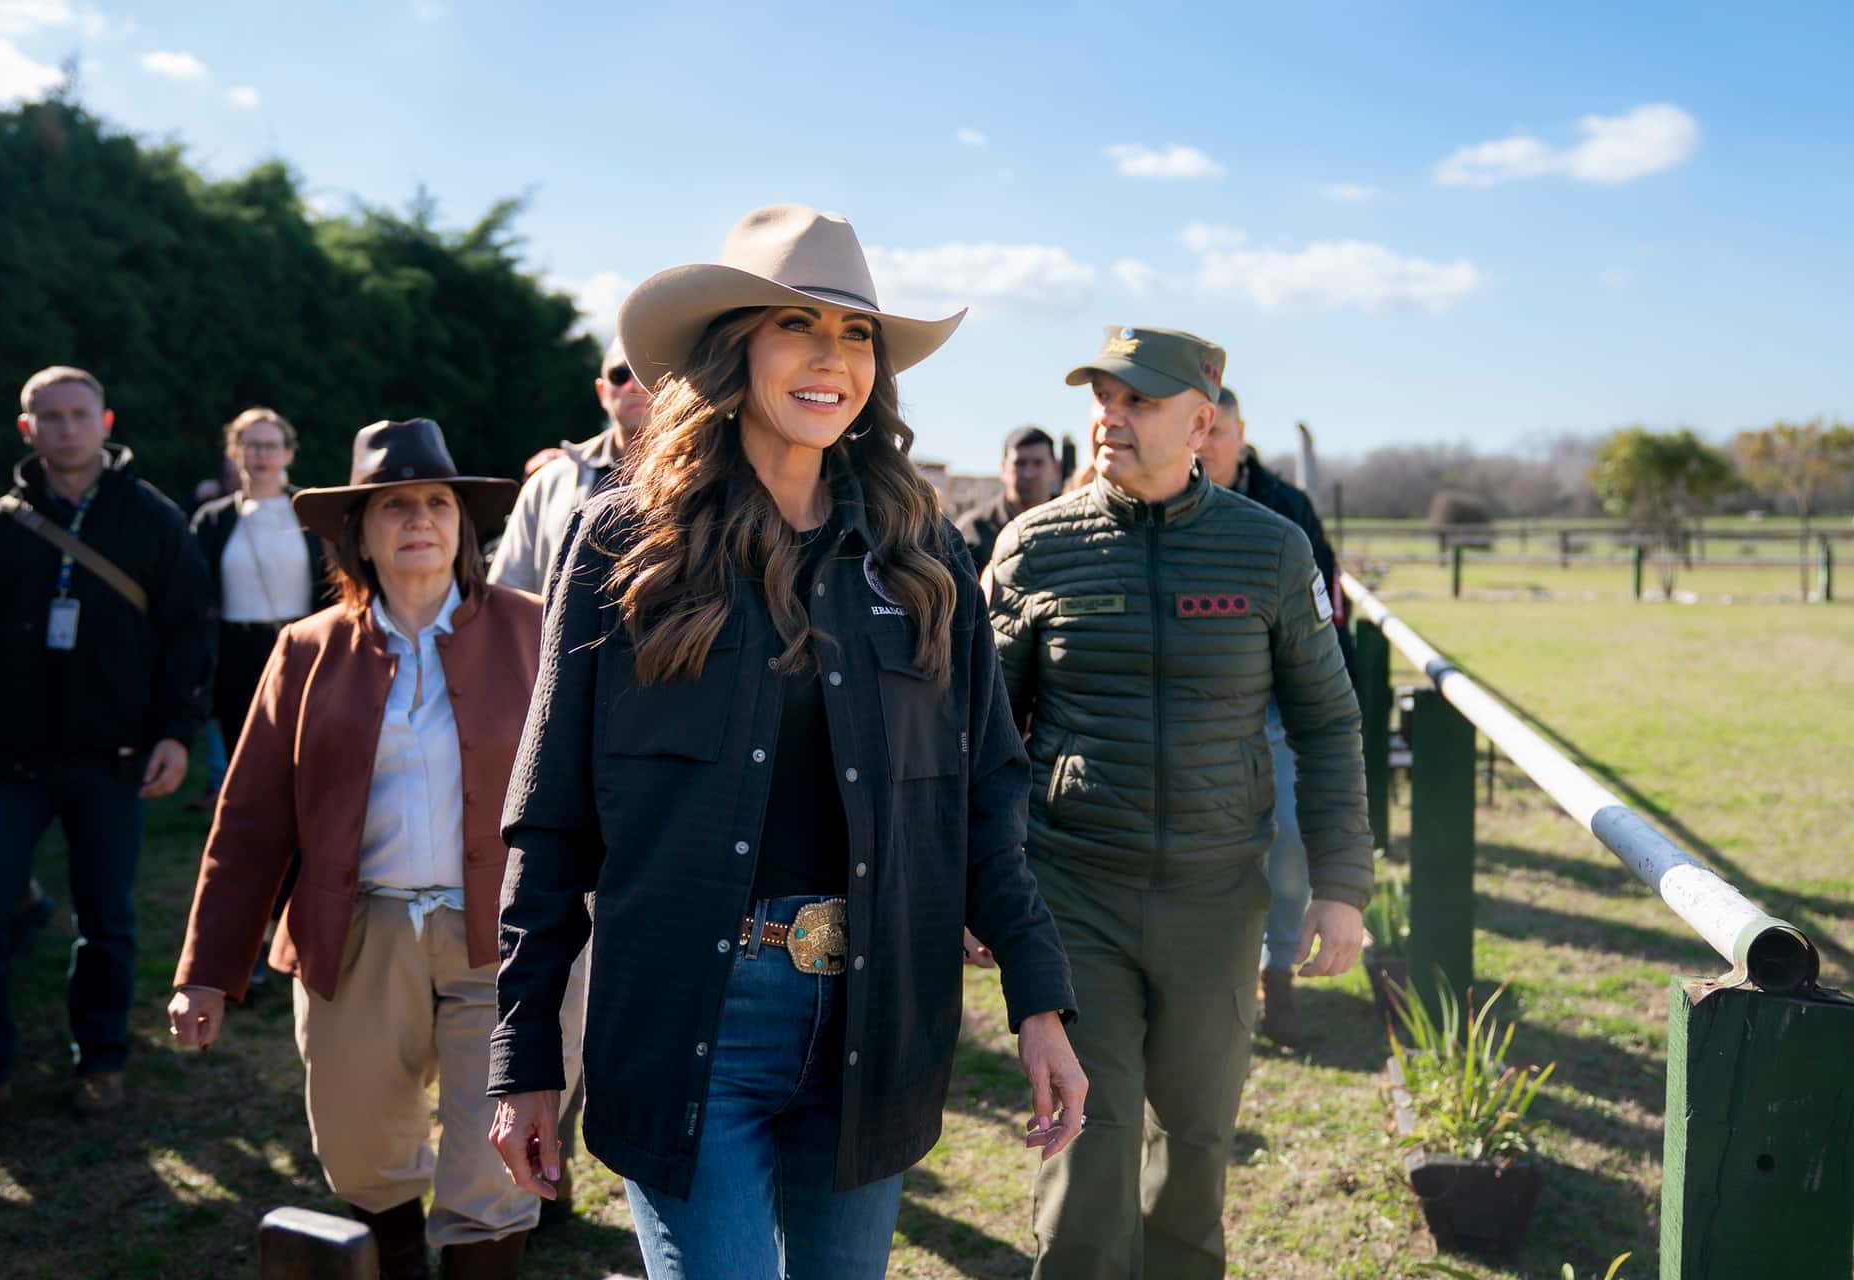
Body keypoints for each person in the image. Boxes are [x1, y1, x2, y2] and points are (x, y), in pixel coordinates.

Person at [485, 204, 1086, 1280]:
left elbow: (985, 787)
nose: (832, 358)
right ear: (732, 348)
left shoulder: (923, 554)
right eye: (798, 325)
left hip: (880, 1015)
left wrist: (1039, 1000)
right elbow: (550, 812)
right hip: (688, 1012)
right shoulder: (624, 544)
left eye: (857, 334)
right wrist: (524, 1049)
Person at [987, 327, 1373, 1278]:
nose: (1111, 419)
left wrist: (1341, 884)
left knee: (1194, 1155)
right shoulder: (1034, 550)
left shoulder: (1271, 552)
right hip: (1076, 896)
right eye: (1103, 401)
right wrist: (984, 894)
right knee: (1089, 1144)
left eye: (1138, 402)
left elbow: (1328, 723)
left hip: (1217, 899)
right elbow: (985, 744)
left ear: (1202, 422)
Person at [168, 418, 577, 1278]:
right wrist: (207, 968)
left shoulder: (539, 631)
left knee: (497, 1162)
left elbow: (598, 790)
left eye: (437, 501)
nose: (419, 519)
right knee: (359, 1147)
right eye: (394, 505)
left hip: (509, 939)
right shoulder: (307, 650)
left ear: (465, 524)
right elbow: (250, 821)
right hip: (354, 936)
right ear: (358, 531)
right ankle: (393, 1263)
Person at [0, 366, 211, 1146]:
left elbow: (189, 631)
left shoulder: (152, 518)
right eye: (47, 417)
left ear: (104, 421)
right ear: (27, 429)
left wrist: (173, 731)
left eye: (77, 414)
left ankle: (102, 1063)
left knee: (107, 922)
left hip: (108, 757)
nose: (64, 429)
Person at [1195, 386, 1356, 1046]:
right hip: (1197, 702)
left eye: (1218, 432)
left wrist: (1330, 699)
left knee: (1287, 837)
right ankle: (1210, 980)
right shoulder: (1164, 501)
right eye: (1199, 432)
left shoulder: (1288, 510)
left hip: (1276, 698)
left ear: (1237, 433)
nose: (1206, 445)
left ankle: (1276, 969)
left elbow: (1328, 611)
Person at [189, 408, 332, 807]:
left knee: (306, 759)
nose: (261, 455)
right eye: (251, 445)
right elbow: (195, 597)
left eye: (270, 446)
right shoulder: (212, 520)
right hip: (236, 655)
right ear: (235, 453)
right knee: (245, 763)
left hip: (304, 649)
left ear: (288, 453)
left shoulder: (312, 512)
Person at [488, 334, 650, 594]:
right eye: (621, 374)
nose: (636, 385)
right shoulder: (549, 481)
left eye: (648, 371)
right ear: (601, 391)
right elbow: (507, 596)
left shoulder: (712, 477)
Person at [955, 425, 1060, 574]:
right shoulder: (974, 529)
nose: (1029, 474)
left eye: (1038, 463)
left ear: (1056, 468)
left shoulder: (1071, 524)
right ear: (1003, 469)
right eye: (1020, 463)